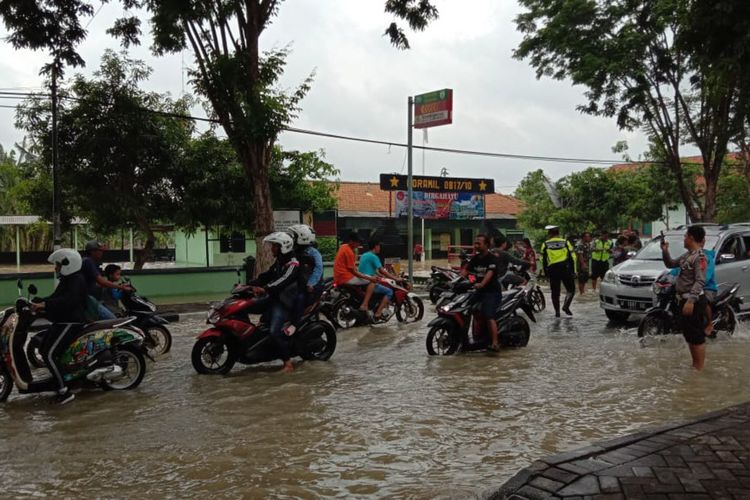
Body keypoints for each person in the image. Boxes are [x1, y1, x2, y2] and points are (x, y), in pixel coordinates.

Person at [30, 249, 88, 405]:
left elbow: (68, 300)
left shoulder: (76, 280)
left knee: (49, 354)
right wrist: (38, 302)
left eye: (57, 265)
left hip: (71, 322)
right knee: (43, 349)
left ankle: (64, 391)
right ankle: (61, 378)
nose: (55, 268)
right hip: (63, 321)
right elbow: (56, 298)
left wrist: (44, 304)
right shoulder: (67, 280)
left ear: (67, 264)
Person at [250, 232, 301, 373]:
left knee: (274, 332)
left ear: (283, 247)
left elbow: (283, 280)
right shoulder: (279, 261)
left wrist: (265, 288)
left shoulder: (293, 264)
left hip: (283, 301)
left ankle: (288, 363)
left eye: (274, 246)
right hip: (274, 297)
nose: (272, 249)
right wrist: (249, 285)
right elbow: (267, 276)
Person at [661, 225, 708, 371]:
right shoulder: (687, 255)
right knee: (690, 336)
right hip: (683, 300)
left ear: (691, 237)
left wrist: (690, 300)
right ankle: (695, 366)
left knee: (697, 337)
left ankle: (699, 370)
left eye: (685, 236)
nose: (684, 239)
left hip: (692, 301)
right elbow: (670, 264)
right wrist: (665, 251)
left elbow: (700, 280)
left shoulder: (699, 257)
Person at [462, 234, 501, 351]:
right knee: (464, 308)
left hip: (492, 292)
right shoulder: (475, 258)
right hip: (478, 291)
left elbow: (490, 273)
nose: (476, 245)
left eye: (479, 243)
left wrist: (481, 284)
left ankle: (495, 343)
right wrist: (456, 281)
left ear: (486, 245)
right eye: (475, 243)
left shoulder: (492, 258)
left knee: (489, 315)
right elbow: (466, 271)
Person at [81, 241, 131, 320]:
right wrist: (121, 287)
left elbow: (97, 283)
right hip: (89, 300)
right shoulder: (88, 262)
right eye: (99, 251)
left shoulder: (91, 262)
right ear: (92, 251)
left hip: (93, 299)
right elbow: (101, 281)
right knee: (113, 320)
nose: (102, 253)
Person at [333, 232, 378, 317]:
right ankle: (364, 304)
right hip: (346, 277)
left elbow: (352, 268)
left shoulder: (343, 247)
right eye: (357, 242)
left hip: (338, 276)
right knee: (373, 281)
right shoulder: (350, 252)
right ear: (351, 241)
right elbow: (354, 272)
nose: (358, 244)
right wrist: (370, 278)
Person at [358, 239, 403, 320]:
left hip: (361, 281)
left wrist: (381, 276)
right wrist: (396, 278)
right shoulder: (374, 257)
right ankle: (378, 313)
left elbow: (373, 270)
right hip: (369, 282)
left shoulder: (364, 255)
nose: (380, 248)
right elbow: (382, 270)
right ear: (376, 246)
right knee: (389, 291)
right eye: (379, 246)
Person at [287, 224, 323, 316]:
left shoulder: (313, 252)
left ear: (303, 237)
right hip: (297, 284)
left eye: (295, 236)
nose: (292, 238)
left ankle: (296, 322)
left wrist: (311, 284)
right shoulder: (293, 251)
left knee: (300, 299)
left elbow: (319, 268)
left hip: (309, 286)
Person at [541, 225, 576, 317]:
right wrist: (574, 271)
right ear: (558, 233)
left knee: (555, 292)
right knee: (571, 289)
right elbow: (573, 257)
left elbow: (543, 259)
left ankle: (557, 313)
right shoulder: (565, 242)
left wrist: (545, 272)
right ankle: (566, 306)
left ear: (550, 234)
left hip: (552, 270)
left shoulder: (545, 243)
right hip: (565, 268)